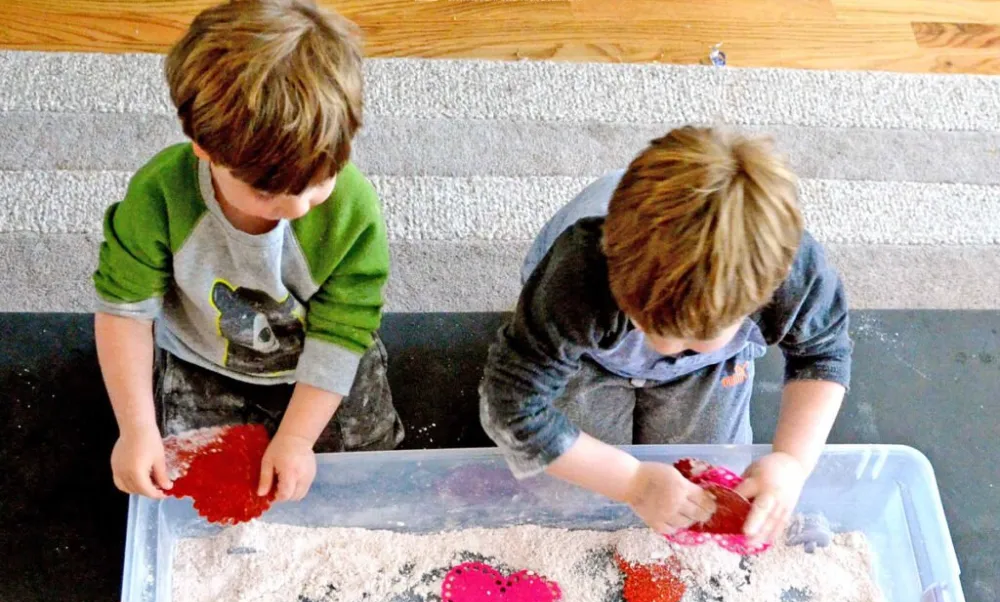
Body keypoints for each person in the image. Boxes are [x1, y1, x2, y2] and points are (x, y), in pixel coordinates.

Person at [93, 0, 403, 504]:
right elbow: (123, 311)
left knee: (366, 463)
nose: (298, 208)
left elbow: (345, 326)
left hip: (321, 351)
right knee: (187, 468)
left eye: (320, 181)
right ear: (204, 148)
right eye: (266, 192)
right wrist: (135, 428)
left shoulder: (353, 208)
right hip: (204, 357)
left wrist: (298, 438)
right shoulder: (159, 195)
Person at [480, 127, 851, 545]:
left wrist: (791, 463)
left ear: (760, 301)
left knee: (713, 485)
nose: (664, 348)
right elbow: (511, 405)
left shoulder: (791, 273)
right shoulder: (578, 277)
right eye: (650, 325)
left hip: (707, 368)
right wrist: (632, 482)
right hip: (589, 352)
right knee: (569, 499)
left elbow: (822, 356)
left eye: (694, 336)